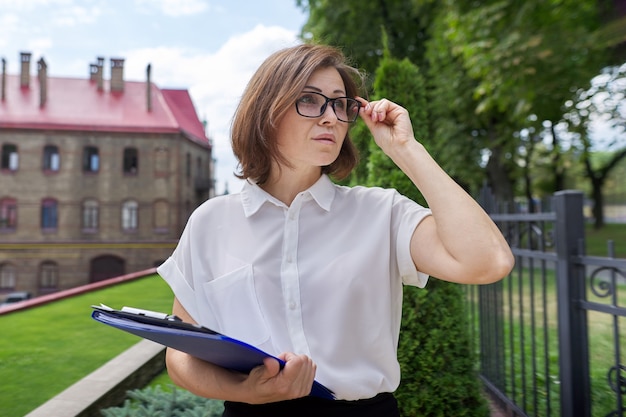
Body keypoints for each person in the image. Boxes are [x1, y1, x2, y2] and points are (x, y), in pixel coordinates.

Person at [156, 43, 514, 417]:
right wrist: (246, 390)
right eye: (310, 100)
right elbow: (182, 353)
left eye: (340, 104)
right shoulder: (211, 222)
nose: (331, 117)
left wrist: (406, 149)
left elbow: (488, 262)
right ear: (266, 111)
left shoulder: (382, 211)